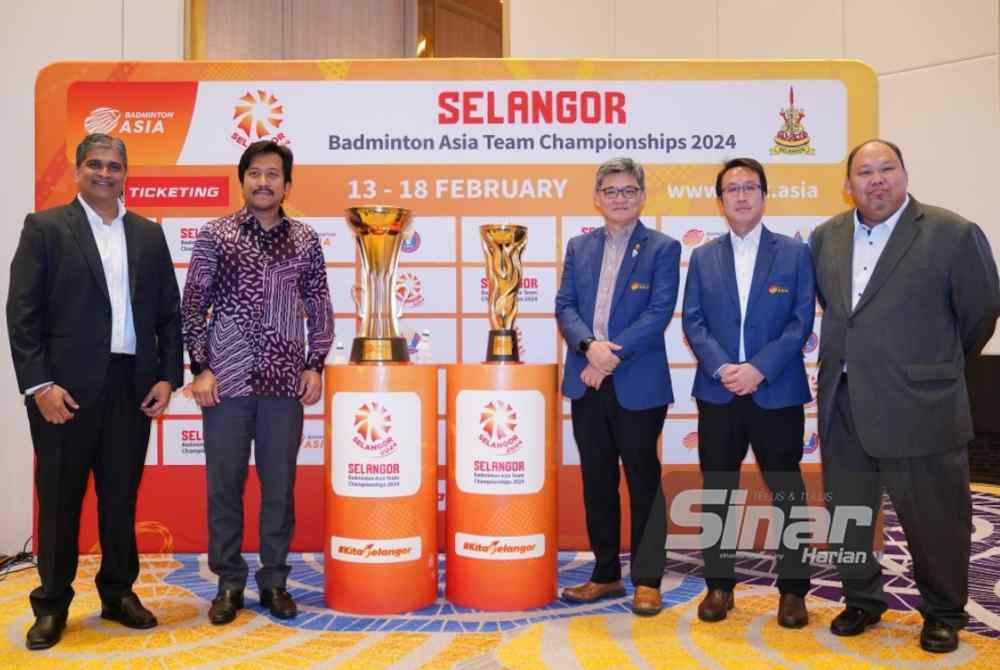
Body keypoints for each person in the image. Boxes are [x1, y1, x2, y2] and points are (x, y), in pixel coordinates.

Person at [809, 139, 1000, 653]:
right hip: (844, 402)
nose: (877, 180)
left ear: (904, 174)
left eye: (886, 168)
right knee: (849, 515)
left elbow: (980, 313)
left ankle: (942, 612)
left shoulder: (952, 232)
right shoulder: (824, 237)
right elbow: (839, 309)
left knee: (936, 518)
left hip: (922, 405)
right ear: (847, 185)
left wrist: (932, 370)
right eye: (864, 172)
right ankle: (862, 600)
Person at [7, 133, 183, 650]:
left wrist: (166, 376)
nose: (104, 173)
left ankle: (117, 593)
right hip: (63, 392)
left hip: (131, 388)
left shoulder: (149, 235)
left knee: (119, 499)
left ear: (126, 172)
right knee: (60, 501)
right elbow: (23, 315)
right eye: (94, 164)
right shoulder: (44, 228)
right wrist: (40, 385)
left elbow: (170, 316)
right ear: (77, 169)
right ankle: (53, 603)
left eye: (114, 166)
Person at [181, 140, 334, 624]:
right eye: (254, 173)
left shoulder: (306, 240)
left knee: (279, 488)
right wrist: (200, 368)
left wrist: (316, 364)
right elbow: (192, 307)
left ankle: (274, 582)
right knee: (224, 487)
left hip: (285, 384)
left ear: (287, 185)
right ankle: (228, 584)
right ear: (242, 179)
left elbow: (320, 305)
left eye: (273, 174)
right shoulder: (215, 234)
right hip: (225, 385)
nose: (263, 182)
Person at [682, 157, 815, 628]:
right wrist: (723, 369)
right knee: (718, 492)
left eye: (750, 187)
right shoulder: (702, 256)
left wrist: (758, 369)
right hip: (719, 393)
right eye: (732, 189)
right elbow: (693, 321)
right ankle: (719, 586)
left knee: (786, 492)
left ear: (763, 195)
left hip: (775, 390)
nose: (741, 196)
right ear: (720, 201)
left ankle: (794, 591)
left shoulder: (796, 253)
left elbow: (801, 321)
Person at [555, 157, 680, 616]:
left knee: (643, 480)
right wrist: (589, 346)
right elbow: (565, 305)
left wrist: (609, 357)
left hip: (637, 381)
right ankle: (605, 574)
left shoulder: (663, 248)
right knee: (598, 480)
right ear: (597, 197)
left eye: (629, 190)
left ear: (642, 196)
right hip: (587, 379)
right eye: (611, 191)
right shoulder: (579, 246)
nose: (620, 198)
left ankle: (648, 579)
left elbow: (658, 314)